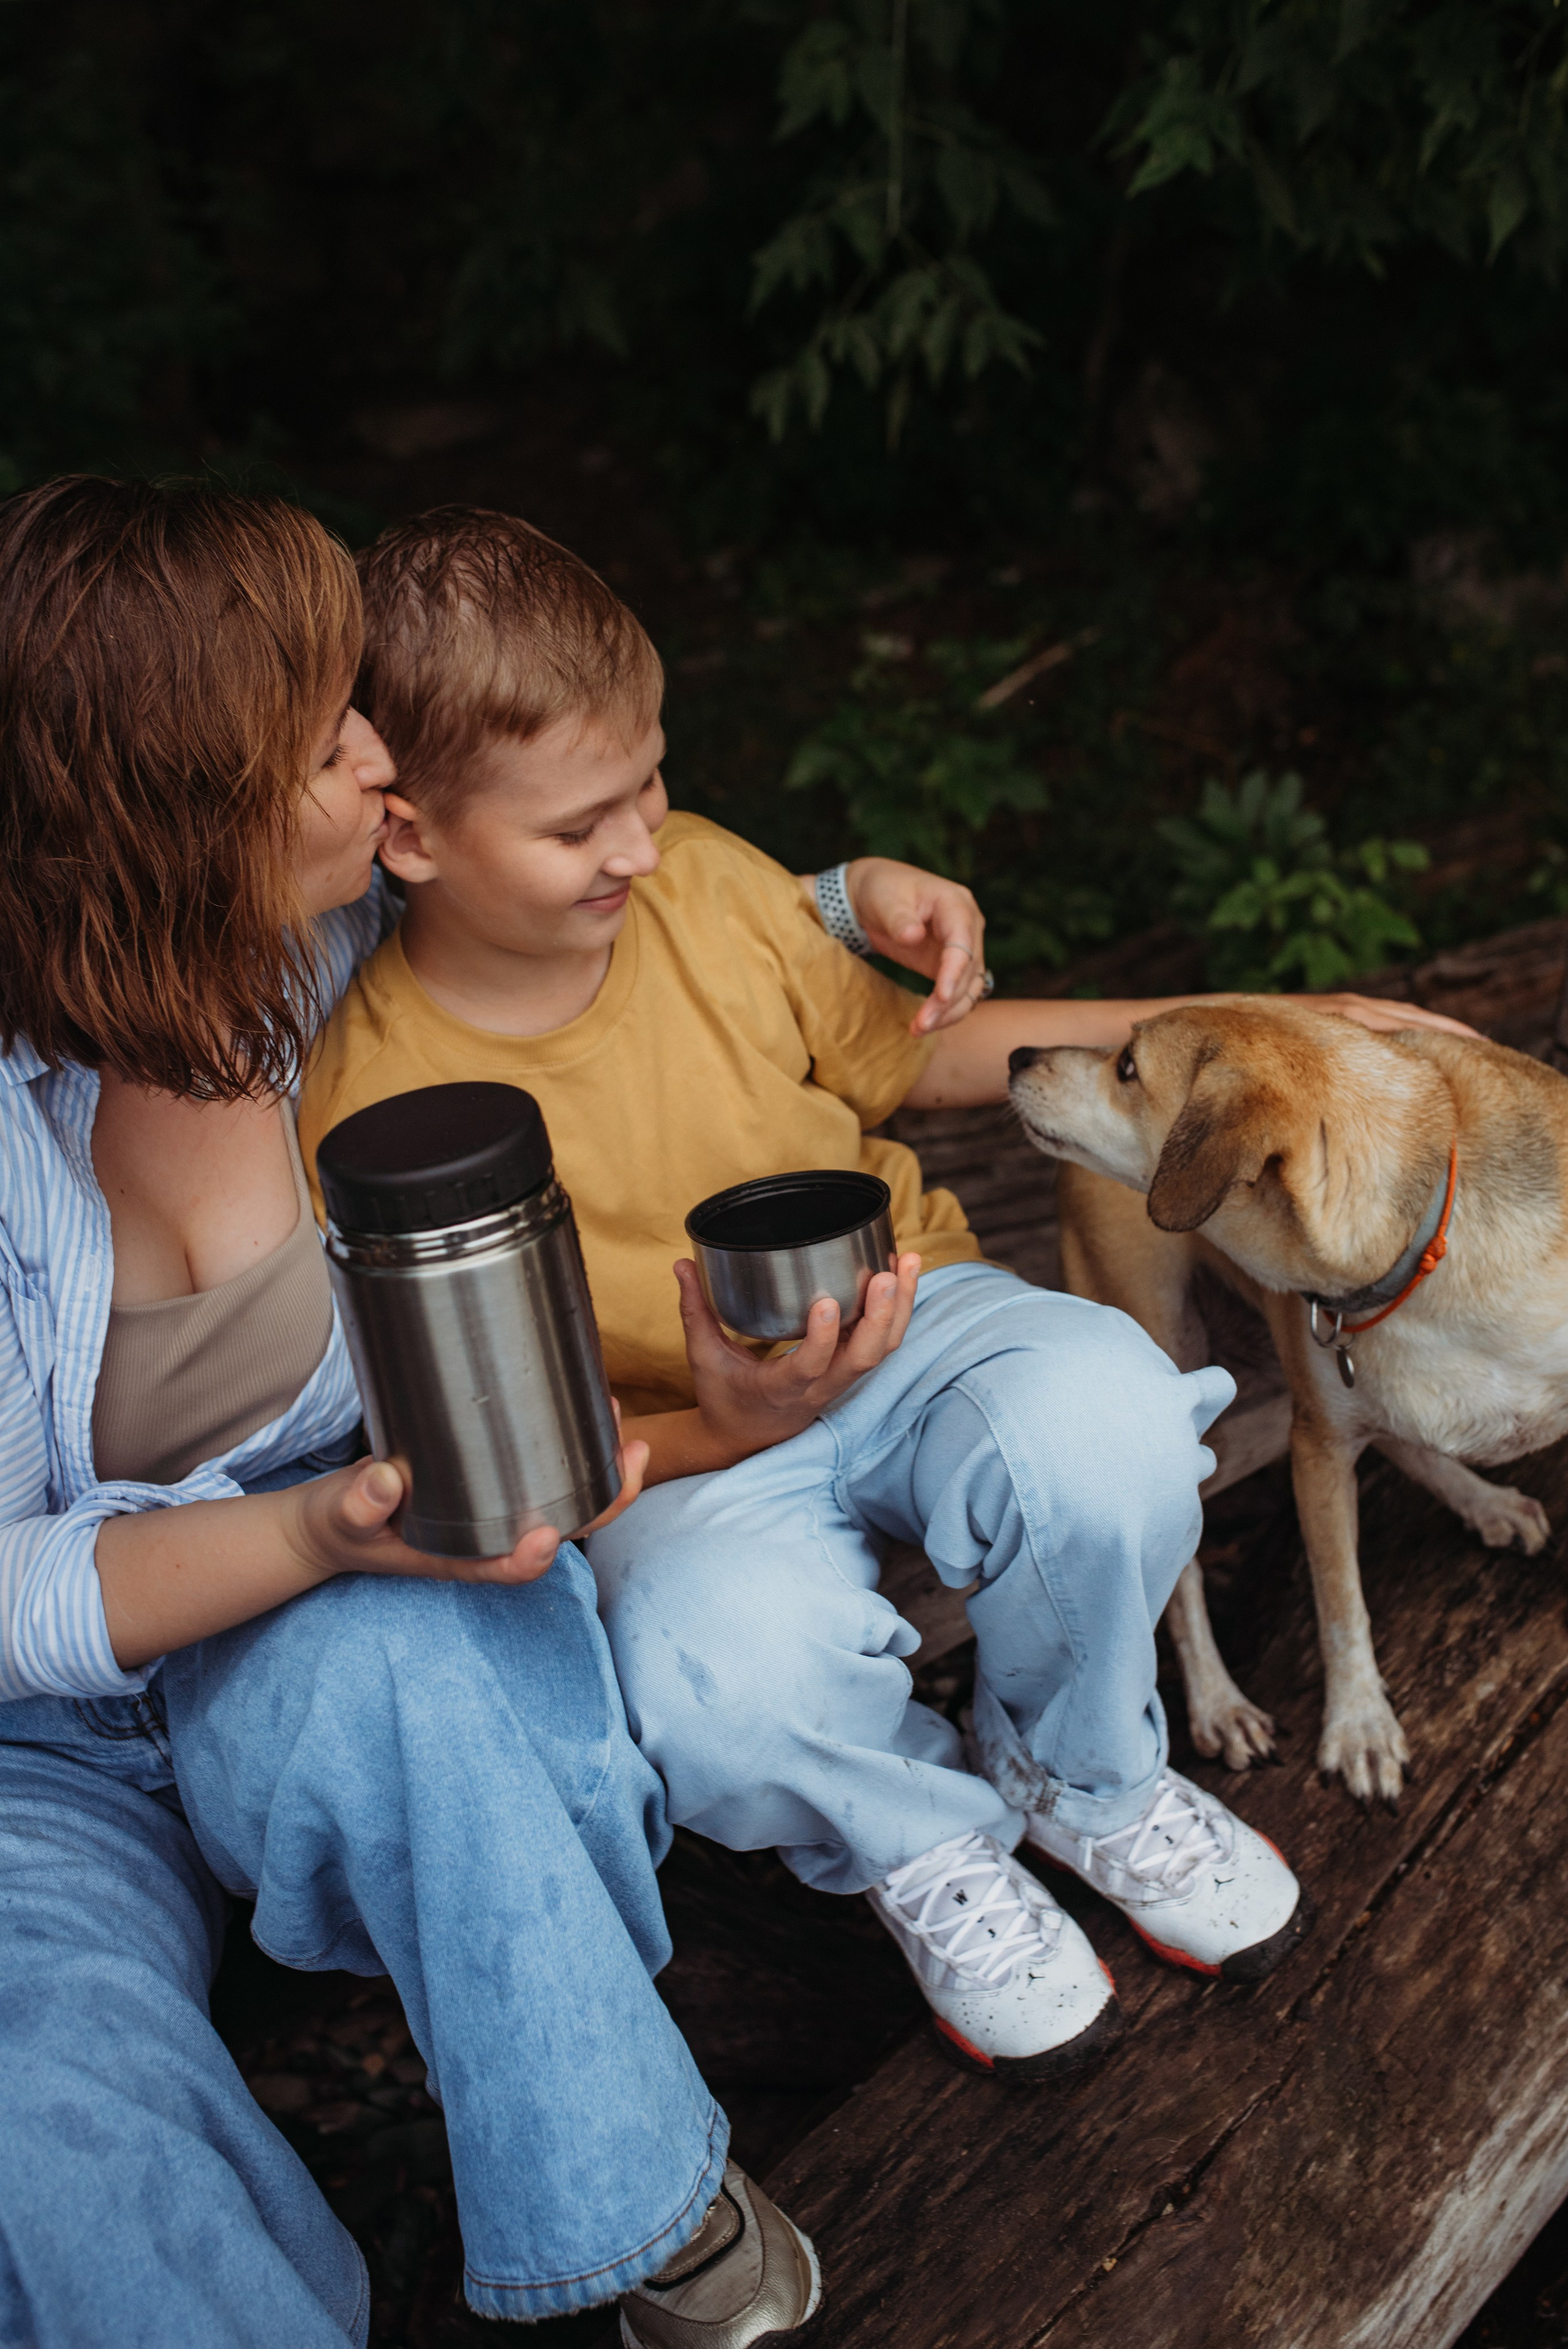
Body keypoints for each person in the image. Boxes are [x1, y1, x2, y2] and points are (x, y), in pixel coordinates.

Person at [301, 505, 1469, 2093]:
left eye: (651, 783)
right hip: (682, 1438)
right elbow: (520, 1474)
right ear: (413, 835)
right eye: (583, 827)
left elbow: (912, 1054)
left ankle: (1083, 1770)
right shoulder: (379, 1100)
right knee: (715, 1678)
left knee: (1114, 1425)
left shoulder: (705, 888)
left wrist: (1249, 1018)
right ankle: (924, 1840)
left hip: (918, 1320)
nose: (640, 845)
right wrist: (727, 1426)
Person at [0, 475, 984, 2349]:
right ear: (177, 812)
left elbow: (653, 911)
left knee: (413, 1681)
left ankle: (637, 2211)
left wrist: (849, 899)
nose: (383, 756)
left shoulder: (365, 953)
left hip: (363, 1609)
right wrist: (303, 1524)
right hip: (38, 1750)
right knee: (44, 2125)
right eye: (324, 734)